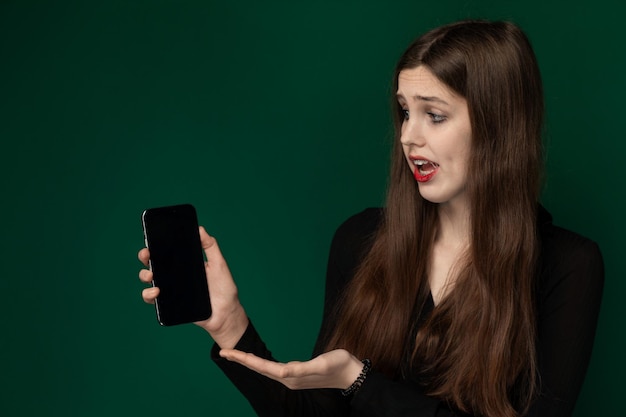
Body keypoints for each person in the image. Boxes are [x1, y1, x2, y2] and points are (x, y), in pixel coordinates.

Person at [138, 19, 604, 417]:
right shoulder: (361, 239)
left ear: (498, 125)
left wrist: (360, 382)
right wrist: (231, 327)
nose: (408, 137)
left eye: (434, 116)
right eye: (404, 112)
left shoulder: (567, 265)